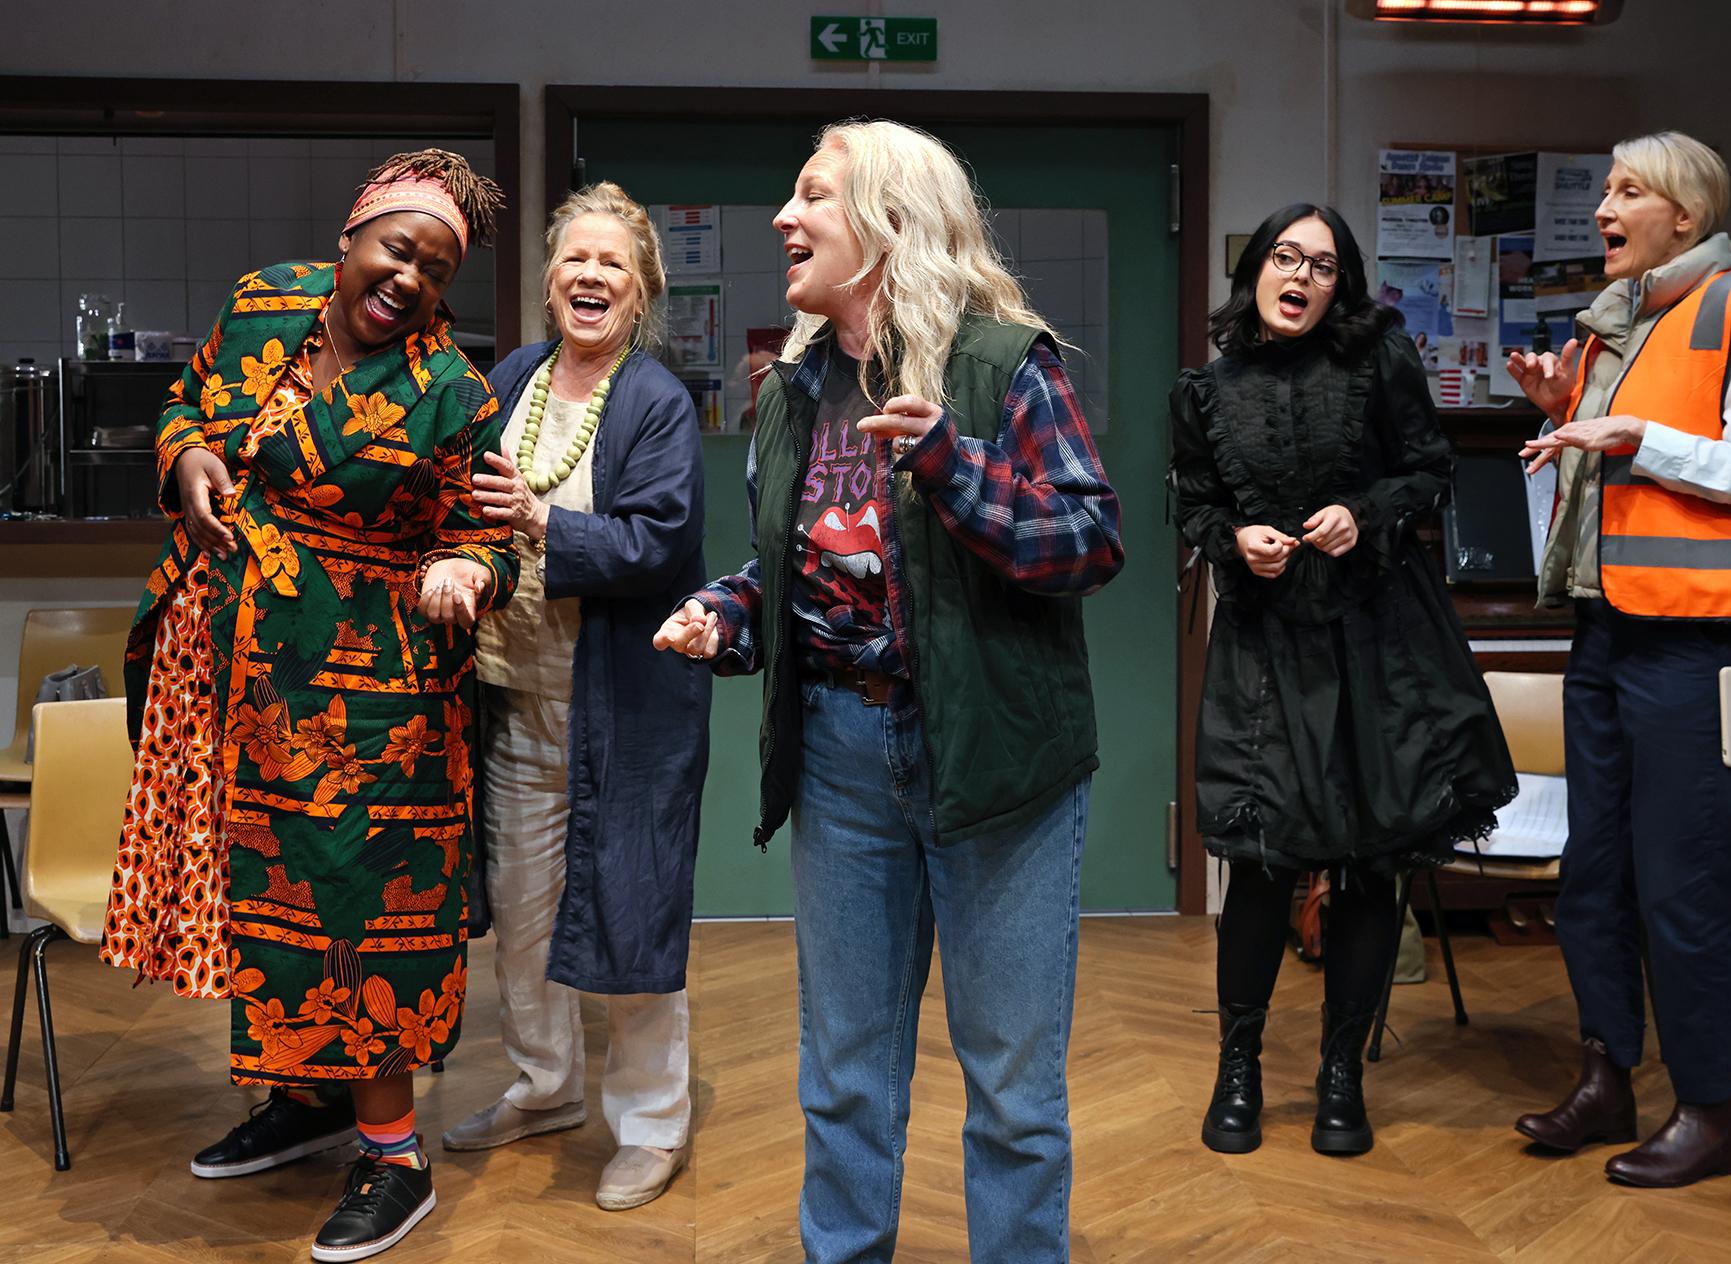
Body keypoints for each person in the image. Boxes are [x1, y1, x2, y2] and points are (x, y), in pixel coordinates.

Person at [653, 119, 1123, 1264]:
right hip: (841, 757)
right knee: (846, 1075)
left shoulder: (1005, 362)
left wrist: (955, 465)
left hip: (996, 761)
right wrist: (729, 609)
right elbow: (803, 565)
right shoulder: (791, 389)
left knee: (1013, 1091)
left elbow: (1090, 539)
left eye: (813, 194)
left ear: (890, 220)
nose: (785, 215)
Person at [99, 150, 514, 1260]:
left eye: (435, 269)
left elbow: (486, 533)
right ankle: (309, 1099)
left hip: (367, 696)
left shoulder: (451, 392)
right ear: (350, 240)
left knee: (357, 909)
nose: (409, 279)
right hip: (225, 664)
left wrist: (466, 568)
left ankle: (395, 1155)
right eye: (397, 250)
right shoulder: (263, 304)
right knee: (261, 900)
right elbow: (187, 403)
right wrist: (187, 456)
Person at [1170, 203, 1517, 1159]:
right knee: (1260, 862)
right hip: (1264, 646)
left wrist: (1364, 513)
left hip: (1377, 641)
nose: (1301, 277)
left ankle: (1340, 1075)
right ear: (1256, 271)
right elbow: (1192, 503)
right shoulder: (1205, 391)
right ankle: (1238, 1069)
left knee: (1371, 861)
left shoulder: (1380, 363)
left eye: (1323, 266)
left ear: (1341, 287)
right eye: (1286, 257)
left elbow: (1431, 470)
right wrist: (1233, 538)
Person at [1508, 131, 1731, 1188]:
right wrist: (1567, 412)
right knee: (1594, 873)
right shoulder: (1617, 328)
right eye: (1604, 189)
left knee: (1682, 881)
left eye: (1628, 191)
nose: (1604, 207)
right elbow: (1622, 469)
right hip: (1608, 628)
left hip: (1697, 645)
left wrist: (1633, 434)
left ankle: (1709, 1111)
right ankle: (1607, 1076)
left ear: (1686, 215)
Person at [444, 181, 710, 1212]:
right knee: (521, 914)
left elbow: (657, 544)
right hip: (514, 693)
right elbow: (462, 499)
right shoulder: (511, 376)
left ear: (641, 292)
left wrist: (541, 521)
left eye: (613, 264)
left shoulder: (657, 401)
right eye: (575, 259)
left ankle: (650, 1123)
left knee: (633, 910)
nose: (591, 275)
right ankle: (545, 1084)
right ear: (550, 278)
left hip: (625, 705)